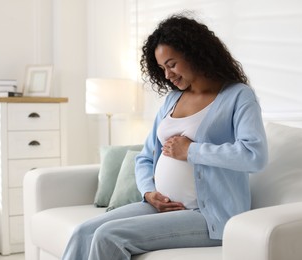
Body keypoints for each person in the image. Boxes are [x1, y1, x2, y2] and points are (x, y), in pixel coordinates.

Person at [62, 13, 268, 260]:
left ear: (195, 53)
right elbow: (145, 158)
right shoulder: (172, 100)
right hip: (161, 206)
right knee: (83, 231)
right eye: (162, 68)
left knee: (109, 235)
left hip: (208, 215)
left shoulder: (237, 96)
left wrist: (191, 150)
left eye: (172, 64)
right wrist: (149, 192)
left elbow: (254, 155)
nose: (168, 75)